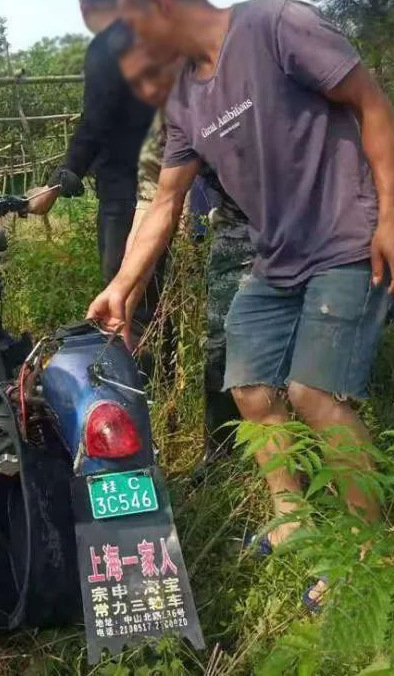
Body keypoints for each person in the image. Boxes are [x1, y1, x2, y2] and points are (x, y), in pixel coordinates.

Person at [88, 0, 394, 607]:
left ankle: (369, 551)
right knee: (248, 386)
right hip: (276, 261)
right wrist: (121, 285)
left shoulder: (275, 26)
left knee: (313, 393)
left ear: (158, 3)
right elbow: (164, 202)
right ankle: (291, 519)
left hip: (348, 240)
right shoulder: (184, 97)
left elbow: (370, 101)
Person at [114, 26, 256, 461]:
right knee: (223, 347)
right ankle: (223, 457)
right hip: (237, 229)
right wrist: (124, 295)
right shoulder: (167, 121)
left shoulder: (251, 78)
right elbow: (152, 206)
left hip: (308, 222)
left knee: (306, 370)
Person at [28, 0, 157, 326]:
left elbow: (96, 122)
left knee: (125, 295)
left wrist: (59, 180)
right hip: (167, 187)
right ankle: (163, 373)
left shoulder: (107, 47)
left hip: (124, 191)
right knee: (154, 290)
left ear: (85, 5)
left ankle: (134, 377)